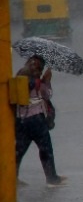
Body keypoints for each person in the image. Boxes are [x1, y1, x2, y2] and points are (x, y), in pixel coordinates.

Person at [14, 55, 64, 187]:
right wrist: (46, 81)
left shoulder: (20, 75)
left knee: (19, 151)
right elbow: (47, 94)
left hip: (21, 120)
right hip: (36, 119)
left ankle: (12, 178)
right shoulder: (37, 82)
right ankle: (52, 179)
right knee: (45, 149)